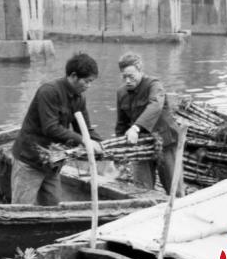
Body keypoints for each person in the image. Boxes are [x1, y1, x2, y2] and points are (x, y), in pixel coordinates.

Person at [11, 53, 103, 206]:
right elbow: (51, 128)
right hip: (30, 159)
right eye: (86, 81)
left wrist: (101, 144)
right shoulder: (49, 91)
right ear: (73, 76)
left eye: (91, 82)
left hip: (53, 161)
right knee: (21, 207)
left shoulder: (79, 98)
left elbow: (85, 129)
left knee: (53, 205)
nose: (89, 86)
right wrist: (84, 141)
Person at [115, 52, 184, 196]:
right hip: (140, 145)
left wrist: (135, 128)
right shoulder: (121, 93)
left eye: (131, 76)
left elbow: (155, 106)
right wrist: (119, 153)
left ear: (140, 69)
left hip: (165, 142)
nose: (127, 80)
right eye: (124, 76)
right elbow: (121, 124)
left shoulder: (154, 85)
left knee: (175, 190)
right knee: (142, 190)